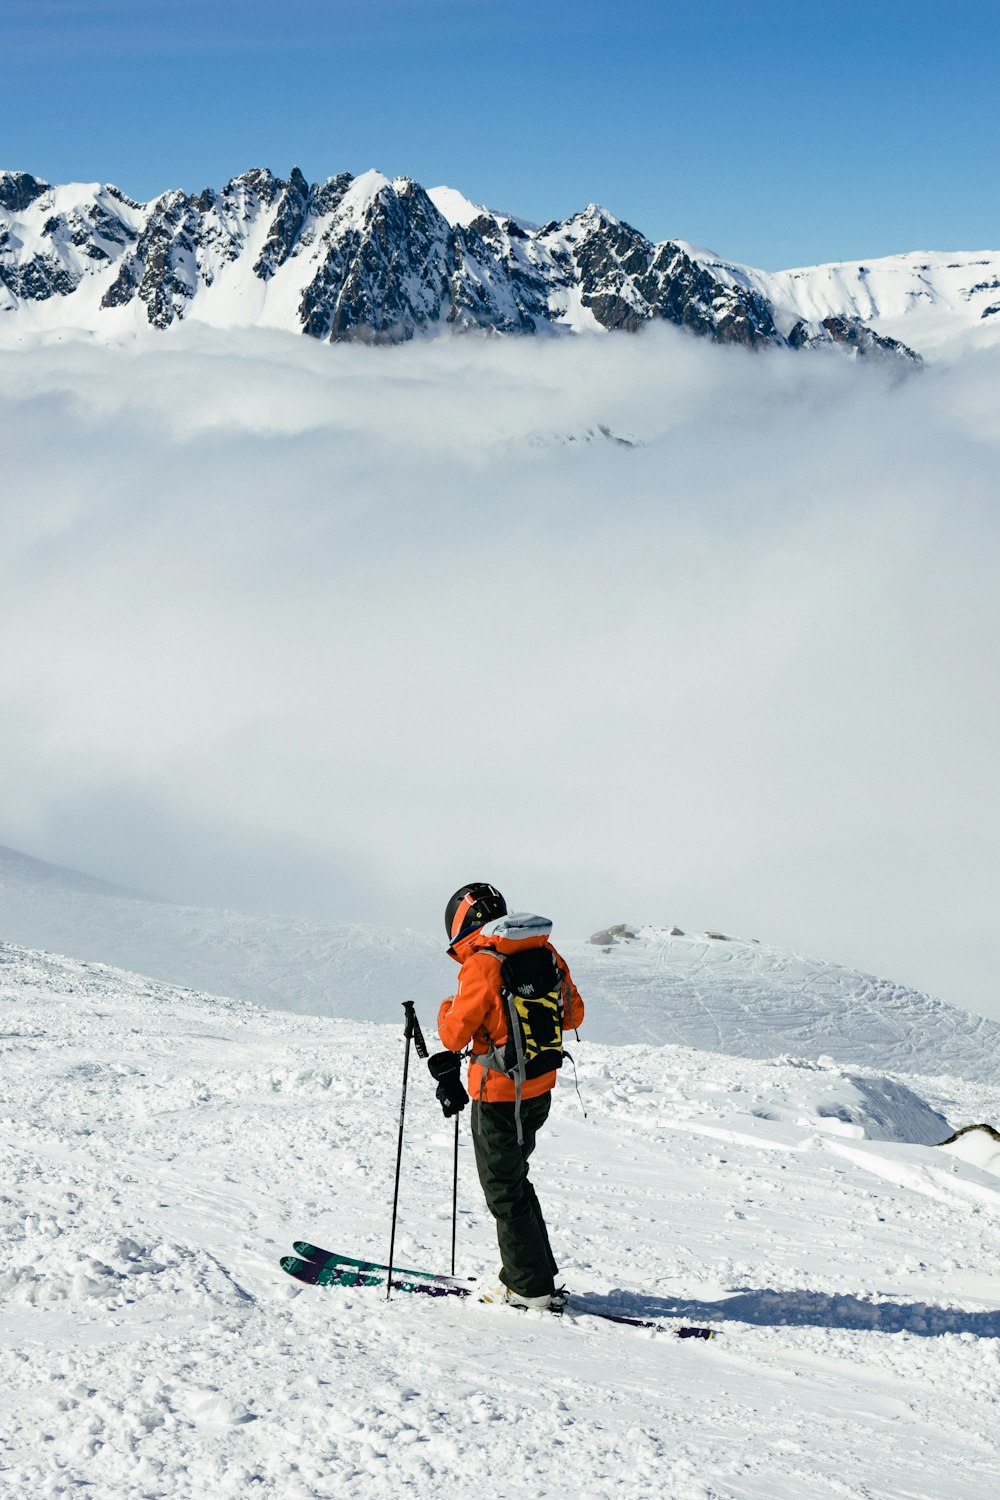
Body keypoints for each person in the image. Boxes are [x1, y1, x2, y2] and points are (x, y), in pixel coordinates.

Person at [436, 882, 585, 1311]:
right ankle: (532, 1275)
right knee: (515, 1181)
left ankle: (529, 1289)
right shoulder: (548, 953)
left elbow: (452, 1034)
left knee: (503, 1189)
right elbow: (574, 1014)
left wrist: (447, 1006)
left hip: (497, 1093)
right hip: (538, 1088)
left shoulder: (483, 964)